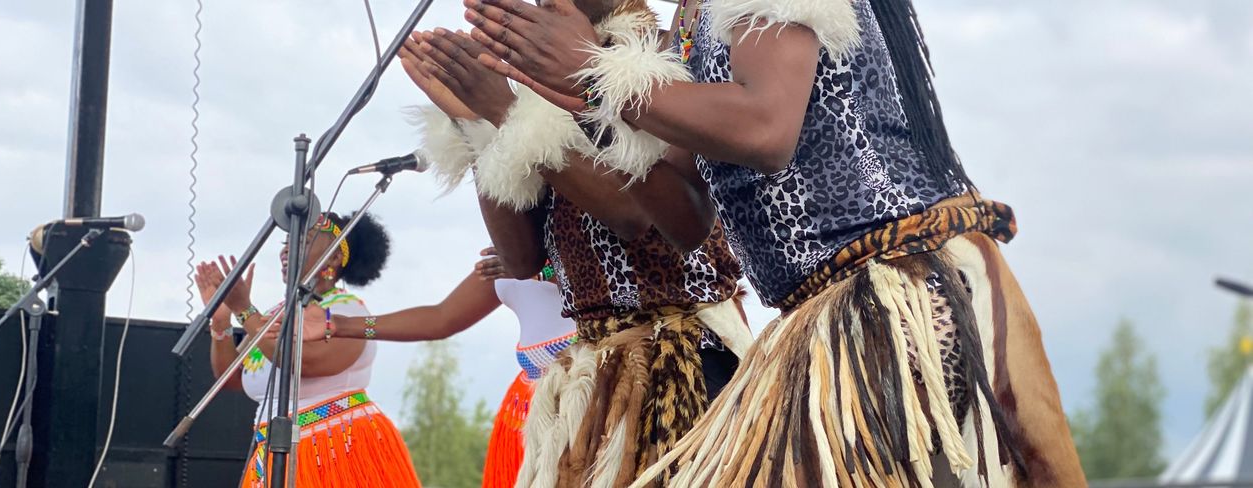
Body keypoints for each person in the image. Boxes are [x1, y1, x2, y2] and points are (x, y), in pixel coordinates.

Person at [462, 0, 1086, 485]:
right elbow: (685, 219)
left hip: (896, 295)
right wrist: (577, 102)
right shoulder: (691, 20)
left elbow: (765, 129)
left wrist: (595, 77)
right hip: (829, 314)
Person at [312, 23, 753, 487]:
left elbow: (632, 215)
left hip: (683, 365)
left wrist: (504, 112)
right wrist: (475, 124)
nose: (545, 9)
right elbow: (519, 258)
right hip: (585, 383)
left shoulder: (662, 54)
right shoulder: (534, 93)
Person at [312, 248, 577, 488]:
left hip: (584, 394)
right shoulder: (509, 244)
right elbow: (441, 317)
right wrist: (340, 325)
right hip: (529, 405)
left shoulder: (584, 225)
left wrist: (537, 271)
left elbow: (601, 272)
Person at [195, 212, 420, 488]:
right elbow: (231, 377)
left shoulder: (347, 310)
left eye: (301, 241)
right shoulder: (274, 315)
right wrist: (221, 321)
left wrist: (244, 310)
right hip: (275, 453)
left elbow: (303, 362)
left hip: (336, 451)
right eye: (285, 242)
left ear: (334, 257)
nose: (287, 250)